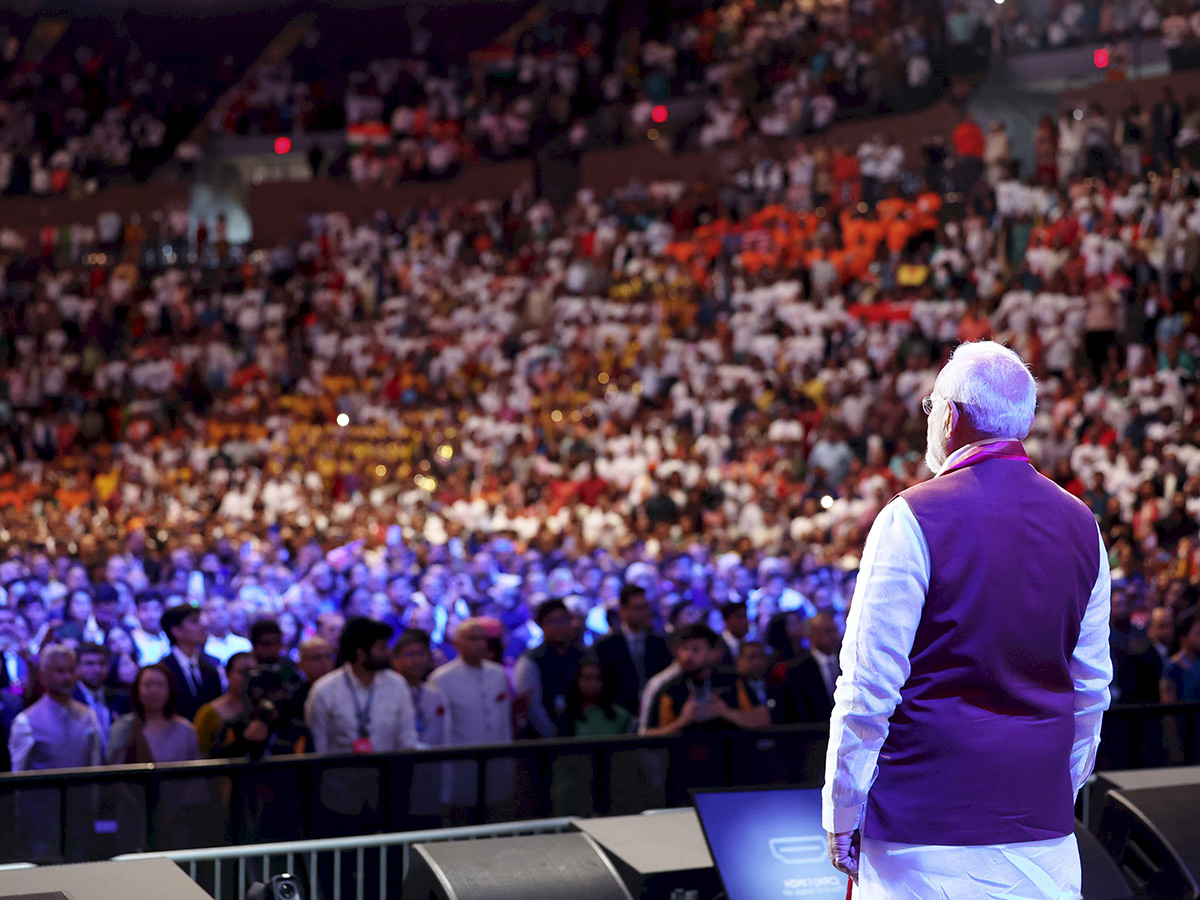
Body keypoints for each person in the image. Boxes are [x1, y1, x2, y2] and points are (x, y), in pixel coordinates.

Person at [823, 341, 1112, 899]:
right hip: (1042, 842)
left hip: (921, 836)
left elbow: (866, 689)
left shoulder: (909, 518)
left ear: (950, 417)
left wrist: (842, 809)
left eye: (932, 408)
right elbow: (1091, 691)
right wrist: (1050, 790)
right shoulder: (1084, 526)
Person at [304, 617, 417, 755]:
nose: (388, 652)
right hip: (340, 774)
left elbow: (407, 740)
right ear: (360, 652)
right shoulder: (325, 690)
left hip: (388, 773)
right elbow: (319, 746)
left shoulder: (397, 684)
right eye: (381, 648)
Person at [643, 624, 768, 735]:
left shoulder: (732, 680)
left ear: (712, 653)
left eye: (696, 649)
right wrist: (681, 721)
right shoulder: (669, 688)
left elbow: (763, 718)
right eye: (684, 649)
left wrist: (727, 713)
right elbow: (648, 734)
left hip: (731, 755)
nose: (688, 656)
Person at [9, 645, 102, 770]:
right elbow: (17, 775)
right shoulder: (26, 721)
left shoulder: (88, 715)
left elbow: (96, 768)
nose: (67, 677)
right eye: (60, 671)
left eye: (71, 670)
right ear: (42, 675)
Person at [428, 618, 514, 747]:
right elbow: (439, 728)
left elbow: (504, 721)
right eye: (472, 639)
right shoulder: (441, 679)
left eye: (482, 639)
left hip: (498, 753)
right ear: (456, 643)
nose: (479, 644)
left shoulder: (498, 673)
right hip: (462, 756)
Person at [594, 585, 672, 718]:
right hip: (618, 716)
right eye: (637, 608)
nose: (644, 613)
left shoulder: (660, 643)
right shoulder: (605, 646)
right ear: (622, 611)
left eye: (646, 607)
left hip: (655, 712)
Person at [514, 599, 584, 738]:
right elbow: (533, 707)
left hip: (581, 734)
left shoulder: (582, 655)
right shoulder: (530, 661)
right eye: (551, 621)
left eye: (563, 620)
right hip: (543, 742)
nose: (559, 626)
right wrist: (553, 737)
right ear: (541, 626)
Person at [106, 664, 202, 764]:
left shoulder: (185, 730)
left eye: (160, 685)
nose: (154, 691)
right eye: (148, 685)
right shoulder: (123, 727)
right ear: (137, 689)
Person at [160, 604, 222, 721]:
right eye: (195, 621)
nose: (203, 626)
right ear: (176, 631)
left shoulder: (211, 669)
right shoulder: (163, 670)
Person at [391, 628, 451, 748]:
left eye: (421, 654)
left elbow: (444, 736)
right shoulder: (387, 693)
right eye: (410, 654)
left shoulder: (435, 694)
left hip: (433, 760)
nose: (417, 660)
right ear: (395, 661)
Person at [73, 642, 129, 756]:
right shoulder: (70, 700)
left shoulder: (120, 698)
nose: (97, 669)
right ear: (77, 667)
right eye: (89, 664)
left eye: (102, 663)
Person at [193, 652, 254, 756]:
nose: (249, 677)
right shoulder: (209, 713)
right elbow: (199, 755)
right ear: (227, 674)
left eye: (254, 672)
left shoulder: (265, 711)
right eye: (243, 672)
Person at [559, 654, 633, 737]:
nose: (592, 684)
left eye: (597, 678)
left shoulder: (621, 717)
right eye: (587, 678)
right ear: (577, 680)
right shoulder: (566, 718)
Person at [1113, 606, 1173, 704]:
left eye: (1170, 625)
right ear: (1150, 629)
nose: (1167, 631)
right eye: (1162, 626)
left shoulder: (1171, 652)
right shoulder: (1143, 658)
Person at [289, 636, 336, 720]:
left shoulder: (344, 690)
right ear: (301, 664)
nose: (324, 662)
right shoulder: (295, 698)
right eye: (317, 657)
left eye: (328, 656)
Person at [1161, 611, 1200, 703]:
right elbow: (1168, 704)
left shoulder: (1198, 662)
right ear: (1183, 638)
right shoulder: (1172, 667)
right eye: (1198, 634)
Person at [202, 597, 252, 665]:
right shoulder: (203, 648)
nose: (220, 614)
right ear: (205, 616)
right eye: (214, 610)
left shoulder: (244, 644)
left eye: (224, 609)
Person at [718, 602, 749, 666]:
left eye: (746, 617)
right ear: (726, 620)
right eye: (740, 617)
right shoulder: (717, 645)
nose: (745, 622)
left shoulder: (750, 643)